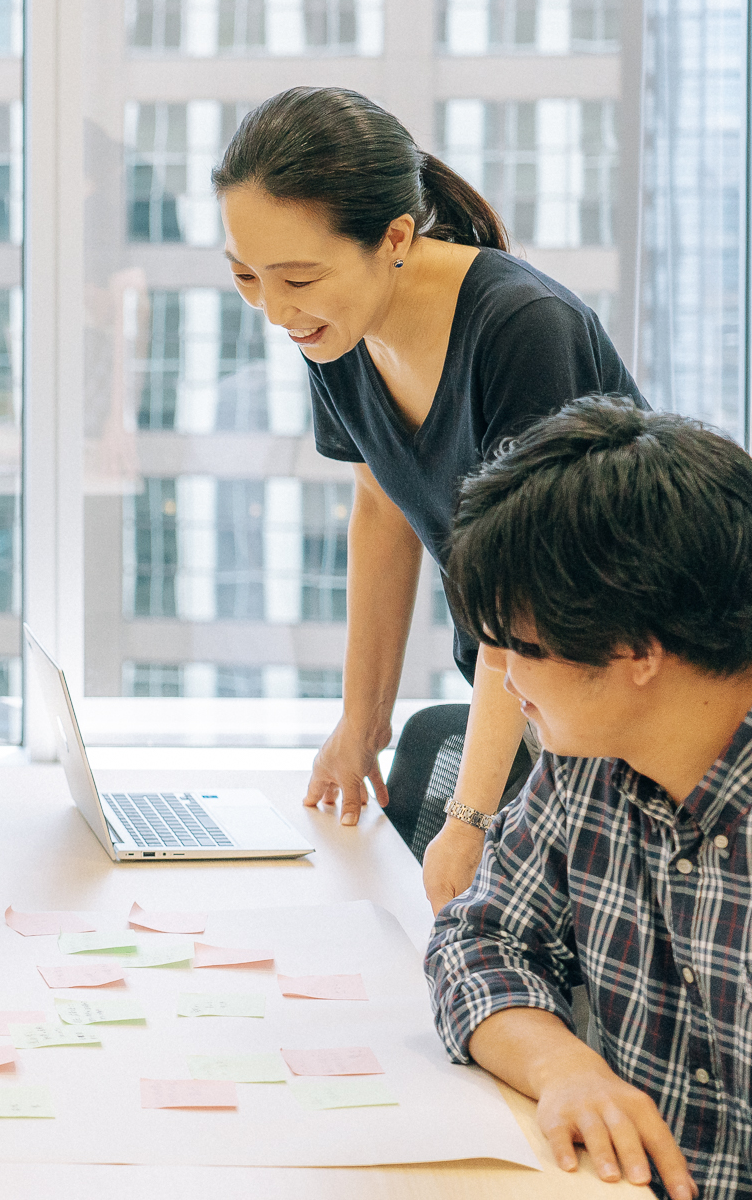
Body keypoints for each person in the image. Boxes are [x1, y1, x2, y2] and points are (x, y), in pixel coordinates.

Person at [210, 86, 645, 908]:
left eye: (298, 276)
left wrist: (471, 817)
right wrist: (360, 721)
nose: (274, 310)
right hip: (531, 699)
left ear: (396, 238)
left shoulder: (523, 328)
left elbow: (524, 597)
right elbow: (382, 509)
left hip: (621, 710)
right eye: (246, 276)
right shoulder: (335, 328)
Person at [427, 396, 752, 1200]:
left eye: (519, 645)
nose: (504, 679)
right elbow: (479, 938)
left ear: (635, 650)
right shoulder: (589, 753)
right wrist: (564, 1065)